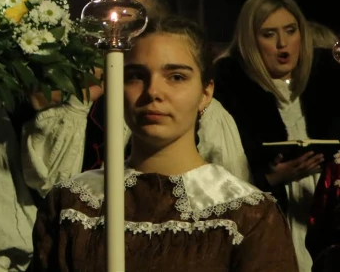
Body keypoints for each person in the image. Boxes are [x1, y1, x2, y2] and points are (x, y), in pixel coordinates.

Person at [31, 16, 298, 271]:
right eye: (135, 76)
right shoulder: (74, 203)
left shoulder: (247, 215)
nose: (153, 92)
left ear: (205, 92)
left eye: (176, 77)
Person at [22, 0, 251, 198]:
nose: (113, 27)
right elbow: (47, 182)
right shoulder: (85, 98)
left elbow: (230, 182)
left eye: (125, 16)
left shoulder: (201, 109)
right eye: (107, 15)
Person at [215, 0, 340, 271]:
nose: (283, 44)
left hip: (325, 208)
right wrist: (272, 178)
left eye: (290, 30)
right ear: (251, 40)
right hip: (270, 213)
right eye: (269, 34)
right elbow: (219, 175)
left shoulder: (327, 78)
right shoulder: (229, 90)